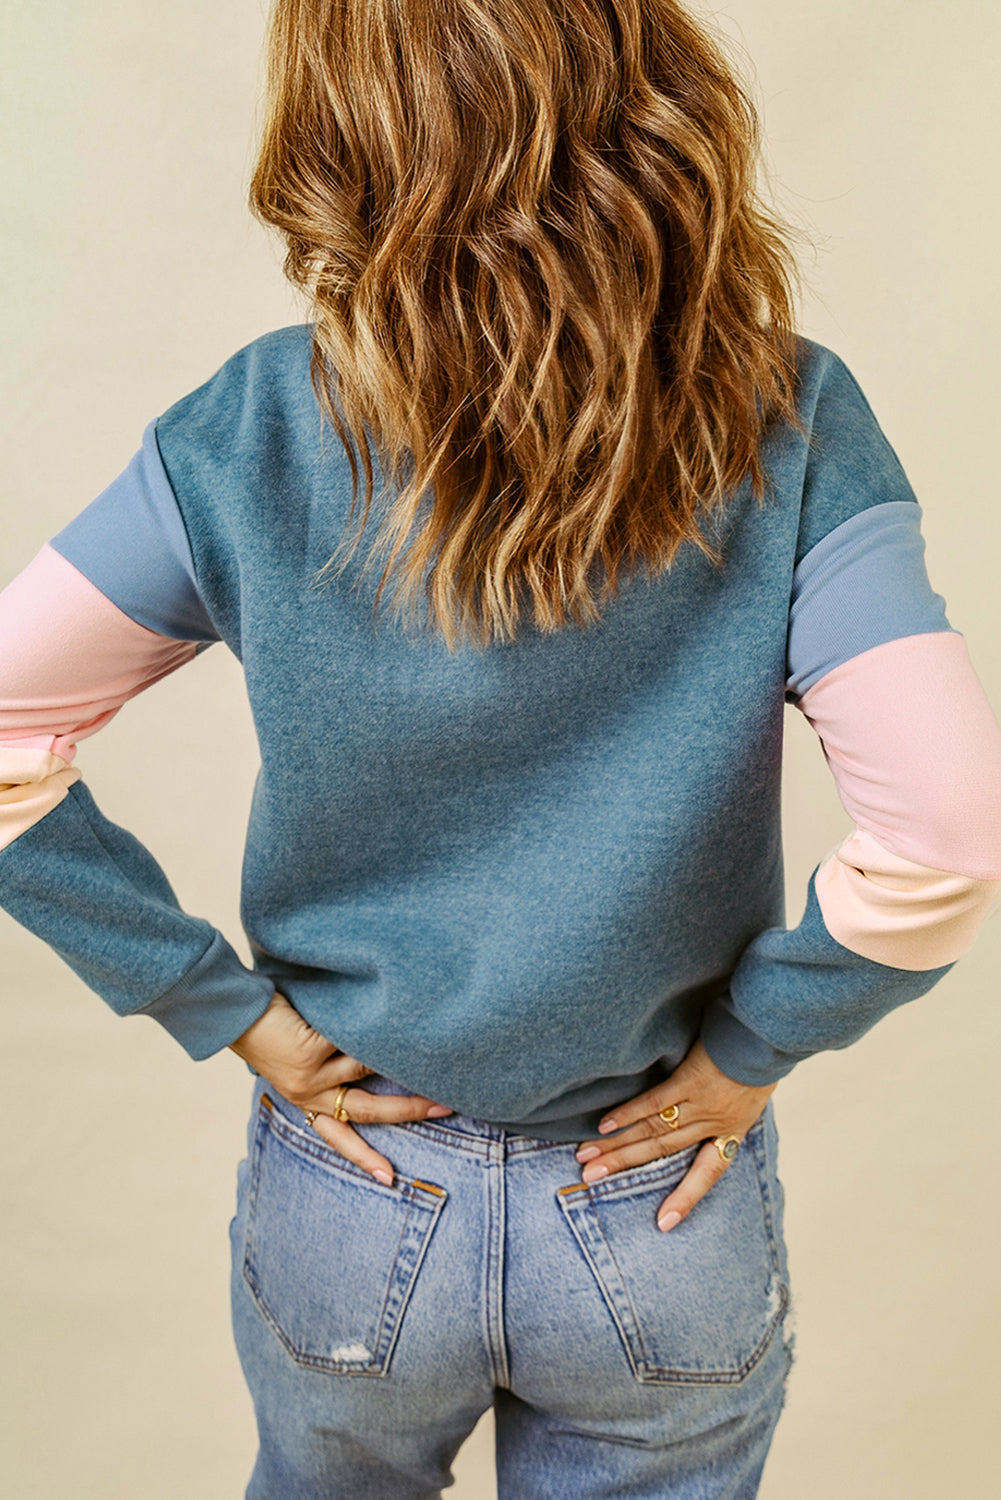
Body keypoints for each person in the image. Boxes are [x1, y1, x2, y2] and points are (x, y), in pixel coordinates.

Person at [2, 1, 999, 1495]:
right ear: (651, 95)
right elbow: (947, 827)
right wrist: (753, 1049)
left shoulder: (256, 427)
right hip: (656, 1198)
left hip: (358, 1195)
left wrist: (222, 1009)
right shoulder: (789, 414)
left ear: (349, 135)